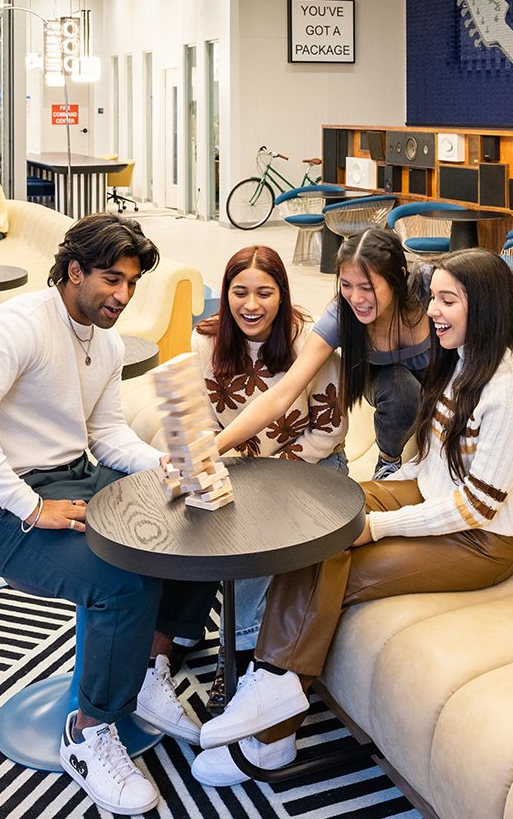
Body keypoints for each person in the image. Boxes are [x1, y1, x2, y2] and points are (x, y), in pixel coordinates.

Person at [196, 248, 513, 779]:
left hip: (484, 541)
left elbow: (477, 505)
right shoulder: (464, 360)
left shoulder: (512, 386)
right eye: (434, 298)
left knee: (334, 564)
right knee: (315, 517)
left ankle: (271, 731)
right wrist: (378, 492)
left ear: (487, 309)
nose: (433, 312)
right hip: (432, 498)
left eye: (447, 301)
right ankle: (271, 683)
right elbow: (434, 466)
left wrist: (376, 524)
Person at [0, 214, 215, 816]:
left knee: (195, 522)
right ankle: (87, 734)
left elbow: (106, 430)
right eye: (111, 280)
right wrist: (31, 506)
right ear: (73, 271)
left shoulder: (106, 342)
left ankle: (149, 670)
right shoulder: (21, 323)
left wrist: (163, 463)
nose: (122, 296)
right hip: (3, 509)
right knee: (122, 580)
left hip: (78, 478)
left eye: (132, 283)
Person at [211, 229, 513, 489]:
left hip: (443, 366)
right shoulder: (342, 315)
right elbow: (283, 394)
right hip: (390, 380)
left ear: (397, 277)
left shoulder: (429, 288)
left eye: (368, 286)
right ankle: (390, 462)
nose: (356, 297)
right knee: (398, 390)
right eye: (347, 286)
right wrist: (216, 446)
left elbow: (488, 317)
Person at [187, 244, 346, 730]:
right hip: (243, 465)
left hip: (313, 467)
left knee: (255, 531)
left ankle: (240, 655)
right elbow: (202, 416)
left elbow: (330, 428)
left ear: (282, 294)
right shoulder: (205, 341)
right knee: (190, 520)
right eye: (239, 292)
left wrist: (271, 475)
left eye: (264, 293)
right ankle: (186, 637)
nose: (251, 305)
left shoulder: (306, 342)